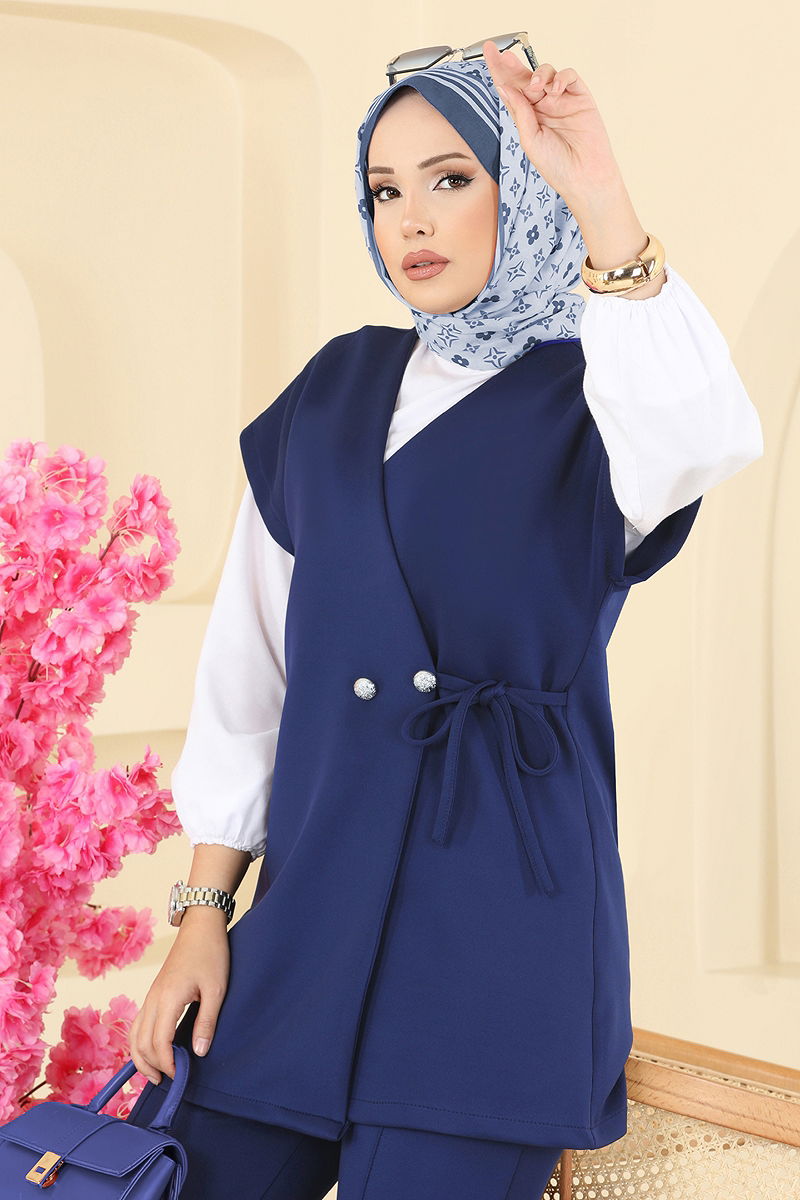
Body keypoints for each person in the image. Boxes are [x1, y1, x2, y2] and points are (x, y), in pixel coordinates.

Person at [127, 43, 764, 1199]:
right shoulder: (329, 392)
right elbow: (248, 676)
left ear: (522, 193)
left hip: (500, 938)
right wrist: (204, 913)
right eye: (383, 190)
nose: (409, 219)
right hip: (303, 917)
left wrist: (597, 193)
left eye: (452, 178)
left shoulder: (604, 393)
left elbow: (700, 435)